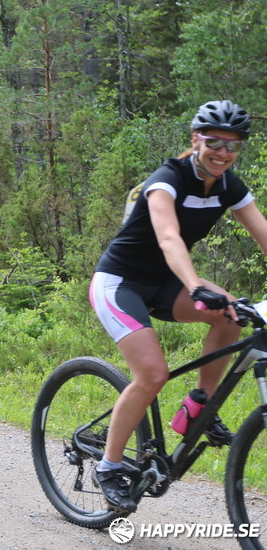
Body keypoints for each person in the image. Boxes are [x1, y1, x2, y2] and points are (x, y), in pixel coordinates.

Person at [89, 100, 267, 513]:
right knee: (152, 374)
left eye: (233, 145)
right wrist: (196, 286)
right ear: (196, 140)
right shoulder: (167, 180)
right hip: (120, 283)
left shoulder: (230, 186)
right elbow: (168, 238)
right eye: (214, 142)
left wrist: (207, 293)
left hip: (167, 283)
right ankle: (109, 465)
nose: (223, 152)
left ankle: (197, 406)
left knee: (234, 316)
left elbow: (263, 232)